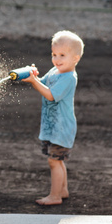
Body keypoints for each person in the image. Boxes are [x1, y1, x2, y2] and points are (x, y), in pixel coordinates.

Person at [22, 30, 84, 206]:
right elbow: (43, 82)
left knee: (54, 161)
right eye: (54, 54)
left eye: (62, 55)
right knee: (58, 160)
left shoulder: (69, 78)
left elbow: (50, 95)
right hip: (53, 126)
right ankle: (62, 190)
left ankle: (55, 196)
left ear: (76, 58)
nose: (57, 59)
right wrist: (34, 77)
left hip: (62, 128)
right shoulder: (55, 71)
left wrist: (34, 82)